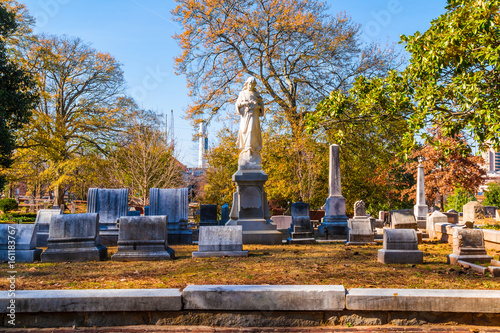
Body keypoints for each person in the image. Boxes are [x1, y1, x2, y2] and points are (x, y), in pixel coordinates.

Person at [235, 76, 264, 169]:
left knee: (252, 131)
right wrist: (245, 103)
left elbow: (261, 106)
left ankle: (251, 151)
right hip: (245, 117)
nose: (251, 85)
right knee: (245, 131)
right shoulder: (242, 93)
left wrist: (257, 105)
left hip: (254, 116)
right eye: (250, 83)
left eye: (253, 84)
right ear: (247, 84)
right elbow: (237, 105)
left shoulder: (256, 94)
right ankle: (246, 151)